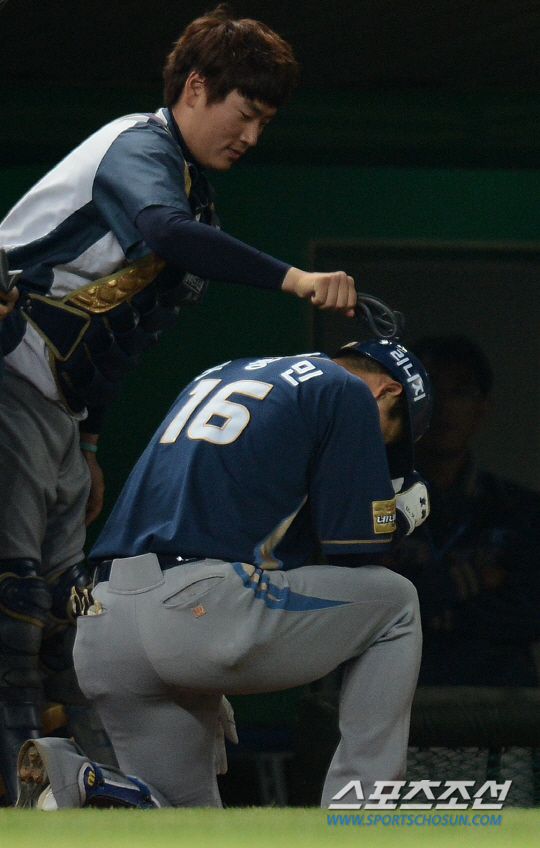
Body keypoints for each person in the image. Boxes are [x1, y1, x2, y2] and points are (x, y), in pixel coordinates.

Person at [0, 6, 359, 803]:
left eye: (264, 122)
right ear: (195, 87)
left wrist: (88, 441)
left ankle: (82, 800)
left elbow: (117, 334)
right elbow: (162, 232)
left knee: (65, 619)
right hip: (8, 372)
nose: (251, 136)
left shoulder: (194, 193)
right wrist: (293, 278)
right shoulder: (138, 146)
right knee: (14, 609)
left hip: (55, 409)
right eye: (245, 113)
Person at [15, 337, 432, 809]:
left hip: (105, 620)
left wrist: (197, 656)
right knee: (397, 602)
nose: (375, 451)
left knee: (185, 824)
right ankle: (362, 810)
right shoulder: (348, 389)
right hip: (197, 608)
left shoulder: (222, 372)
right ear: (387, 391)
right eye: (389, 436)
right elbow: (356, 547)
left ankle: (83, 782)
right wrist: (403, 513)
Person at [385, 334, 540, 686]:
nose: (444, 406)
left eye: (461, 392)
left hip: (500, 705)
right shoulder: (366, 506)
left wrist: (423, 602)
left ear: (482, 407)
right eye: (430, 390)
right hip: (390, 700)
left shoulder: (522, 510)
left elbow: (531, 613)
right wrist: (473, 581)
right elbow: (360, 614)